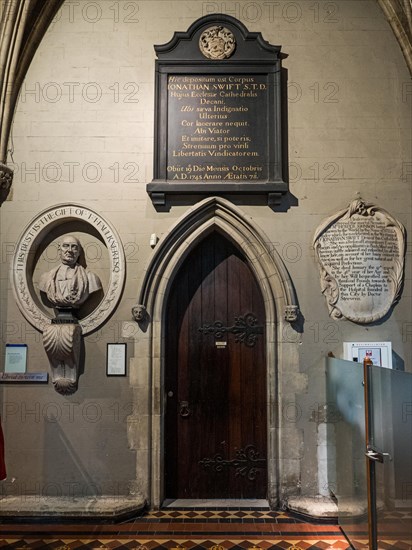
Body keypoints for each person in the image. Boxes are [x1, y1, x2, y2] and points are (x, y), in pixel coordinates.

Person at [39, 235, 102, 308]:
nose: (70, 250)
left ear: (79, 252)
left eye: (74, 247)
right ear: (59, 250)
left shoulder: (91, 278)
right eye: (65, 246)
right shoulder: (46, 278)